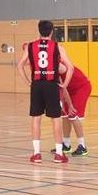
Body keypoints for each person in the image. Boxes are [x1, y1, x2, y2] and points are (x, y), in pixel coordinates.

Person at [17, 20, 72, 164]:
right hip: (51, 85)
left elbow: (20, 65)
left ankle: (36, 154)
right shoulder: (57, 47)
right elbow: (70, 67)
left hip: (37, 85)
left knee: (36, 118)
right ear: (52, 31)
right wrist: (64, 84)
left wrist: (28, 82)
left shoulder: (30, 46)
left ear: (39, 31)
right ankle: (59, 154)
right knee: (56, 119)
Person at [59, 64, 92, 156]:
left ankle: (82, 146)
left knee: (73, 114)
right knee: (64, 114)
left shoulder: (57, 65)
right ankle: (66, 144)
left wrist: (70, 105)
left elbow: (63, 87)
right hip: (69, 89)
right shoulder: (44, 65)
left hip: (81, 87)